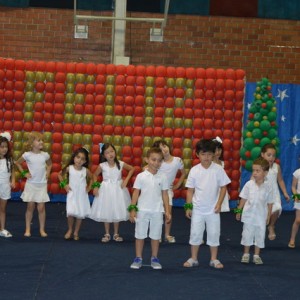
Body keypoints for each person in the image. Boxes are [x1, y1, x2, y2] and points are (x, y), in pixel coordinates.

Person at [183, 139, 231, 269]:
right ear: (197, 154)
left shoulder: (218, 169)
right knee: (195, 233)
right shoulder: (194, 170)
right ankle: (193, 258)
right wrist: (188, 206)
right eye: (203, 154)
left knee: (214, 233)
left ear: (214, 154)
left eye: (209, 154)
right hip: (198, 209)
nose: (206, 157)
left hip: (213, 209)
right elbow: (190, 190)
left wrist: (219, 203)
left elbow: (223, 188)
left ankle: (214, 259)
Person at [129, 147, 171, 270]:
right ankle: (138, 258)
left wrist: (167, 211)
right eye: (153, 160)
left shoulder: (163, 177)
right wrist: (133, 209)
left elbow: (165, 194)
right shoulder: (141, 176)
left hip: (157, 211)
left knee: (155, 235)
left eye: (159, 160)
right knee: (140, 235)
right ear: (147, 159)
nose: (156, 163)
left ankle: (154, 257)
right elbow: (136, 193)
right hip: (142, 210)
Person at [90, 143, 134, 243]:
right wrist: (95, 186)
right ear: (103, 155)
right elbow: (94, 175)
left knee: (117, 210)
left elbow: (132, 169)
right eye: (107, 152)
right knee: (107, 210)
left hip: (118, 190)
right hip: (106, 190)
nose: (110, 154)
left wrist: (126, 180)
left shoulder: (121, 163)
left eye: (112, 151)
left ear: (115, 152)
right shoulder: (102, 165)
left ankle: (116, 233)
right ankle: (107, 233)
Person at [235, 157, 273, 265]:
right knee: (247, 234)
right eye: (253, 170)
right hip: (248, 216)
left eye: (258, 171)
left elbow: (270, 202)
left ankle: (256, 255)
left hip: (261, 216)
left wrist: (269, 215)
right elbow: (243, 198)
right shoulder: (249, 184)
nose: (255, 173)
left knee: (260, 235)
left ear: (265, 172)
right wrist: (238, 211)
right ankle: (246, 254)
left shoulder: (268, 187)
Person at [15, 132, 52, 237]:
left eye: (42, 140)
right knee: (30, 207)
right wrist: (24, 173)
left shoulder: (45, 155)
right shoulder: (27, 155)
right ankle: (27, 228)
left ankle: (42, 229)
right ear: (32, 143)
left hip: (42, 184)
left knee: (41, 208)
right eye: (38, 140)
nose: (41, 142)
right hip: (31, 184)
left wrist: (48, 172)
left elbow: (50, 164)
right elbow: (17, 163)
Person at [152, 139, 186, 243]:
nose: (164, 150)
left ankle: (167, 234)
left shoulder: (178, 160)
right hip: (156, 189)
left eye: (164, 146)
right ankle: (156, 235)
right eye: (160, 149)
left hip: (168, 191)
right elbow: (147, 168)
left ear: (168, 146)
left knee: (168, 212)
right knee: (157, 213)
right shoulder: (158, 162)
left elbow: (183, 173)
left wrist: (177, 185)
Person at [58, 147, 92, 241]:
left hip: (81, 194)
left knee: (80, 213)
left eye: (82, 159)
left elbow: (93, 178)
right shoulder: (70, 168)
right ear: (74, 157)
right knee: (70, 212)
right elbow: (59, 175)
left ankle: (76, 232)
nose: (79, 160)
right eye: (78, 157)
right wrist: (64, 185)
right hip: (72, 193)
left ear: (85, 161)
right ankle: (70, 229)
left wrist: (89, 187)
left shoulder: (85, 170)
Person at [260, 143, 289, 240]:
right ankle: (259, 229)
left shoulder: (277, 167)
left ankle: (271, 226)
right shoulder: (259, 167)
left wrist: (285, 193)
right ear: (262, 155)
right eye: (269, 155)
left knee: (277, 208)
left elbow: (280, 180)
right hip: (262, 194)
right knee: (262, 214)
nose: (271, 158)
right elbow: (253, 180)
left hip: (274, 194)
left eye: (273, 155)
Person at [0, 132, 15, 238]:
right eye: (1, 147)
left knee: (3, 208)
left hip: (5, 186)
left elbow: (13, 170)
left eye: (5, 147)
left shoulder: (9, 159)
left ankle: (2, 229)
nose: (4, 149)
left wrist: (13, 180)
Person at [212, 137, 230, 212]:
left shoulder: (222, 163)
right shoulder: (209, 163)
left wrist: (227, 192)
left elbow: (223, 180)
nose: (217, 152)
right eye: (215, 150)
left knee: (218, 208)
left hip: (221, 189)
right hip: (212, 189)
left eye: (219, 150)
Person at [288, 162, 300, 248]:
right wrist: (296, 195)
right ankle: (292, 239)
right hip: (299, 199)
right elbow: (293, 187)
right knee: (298, 220)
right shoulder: (297, 173)